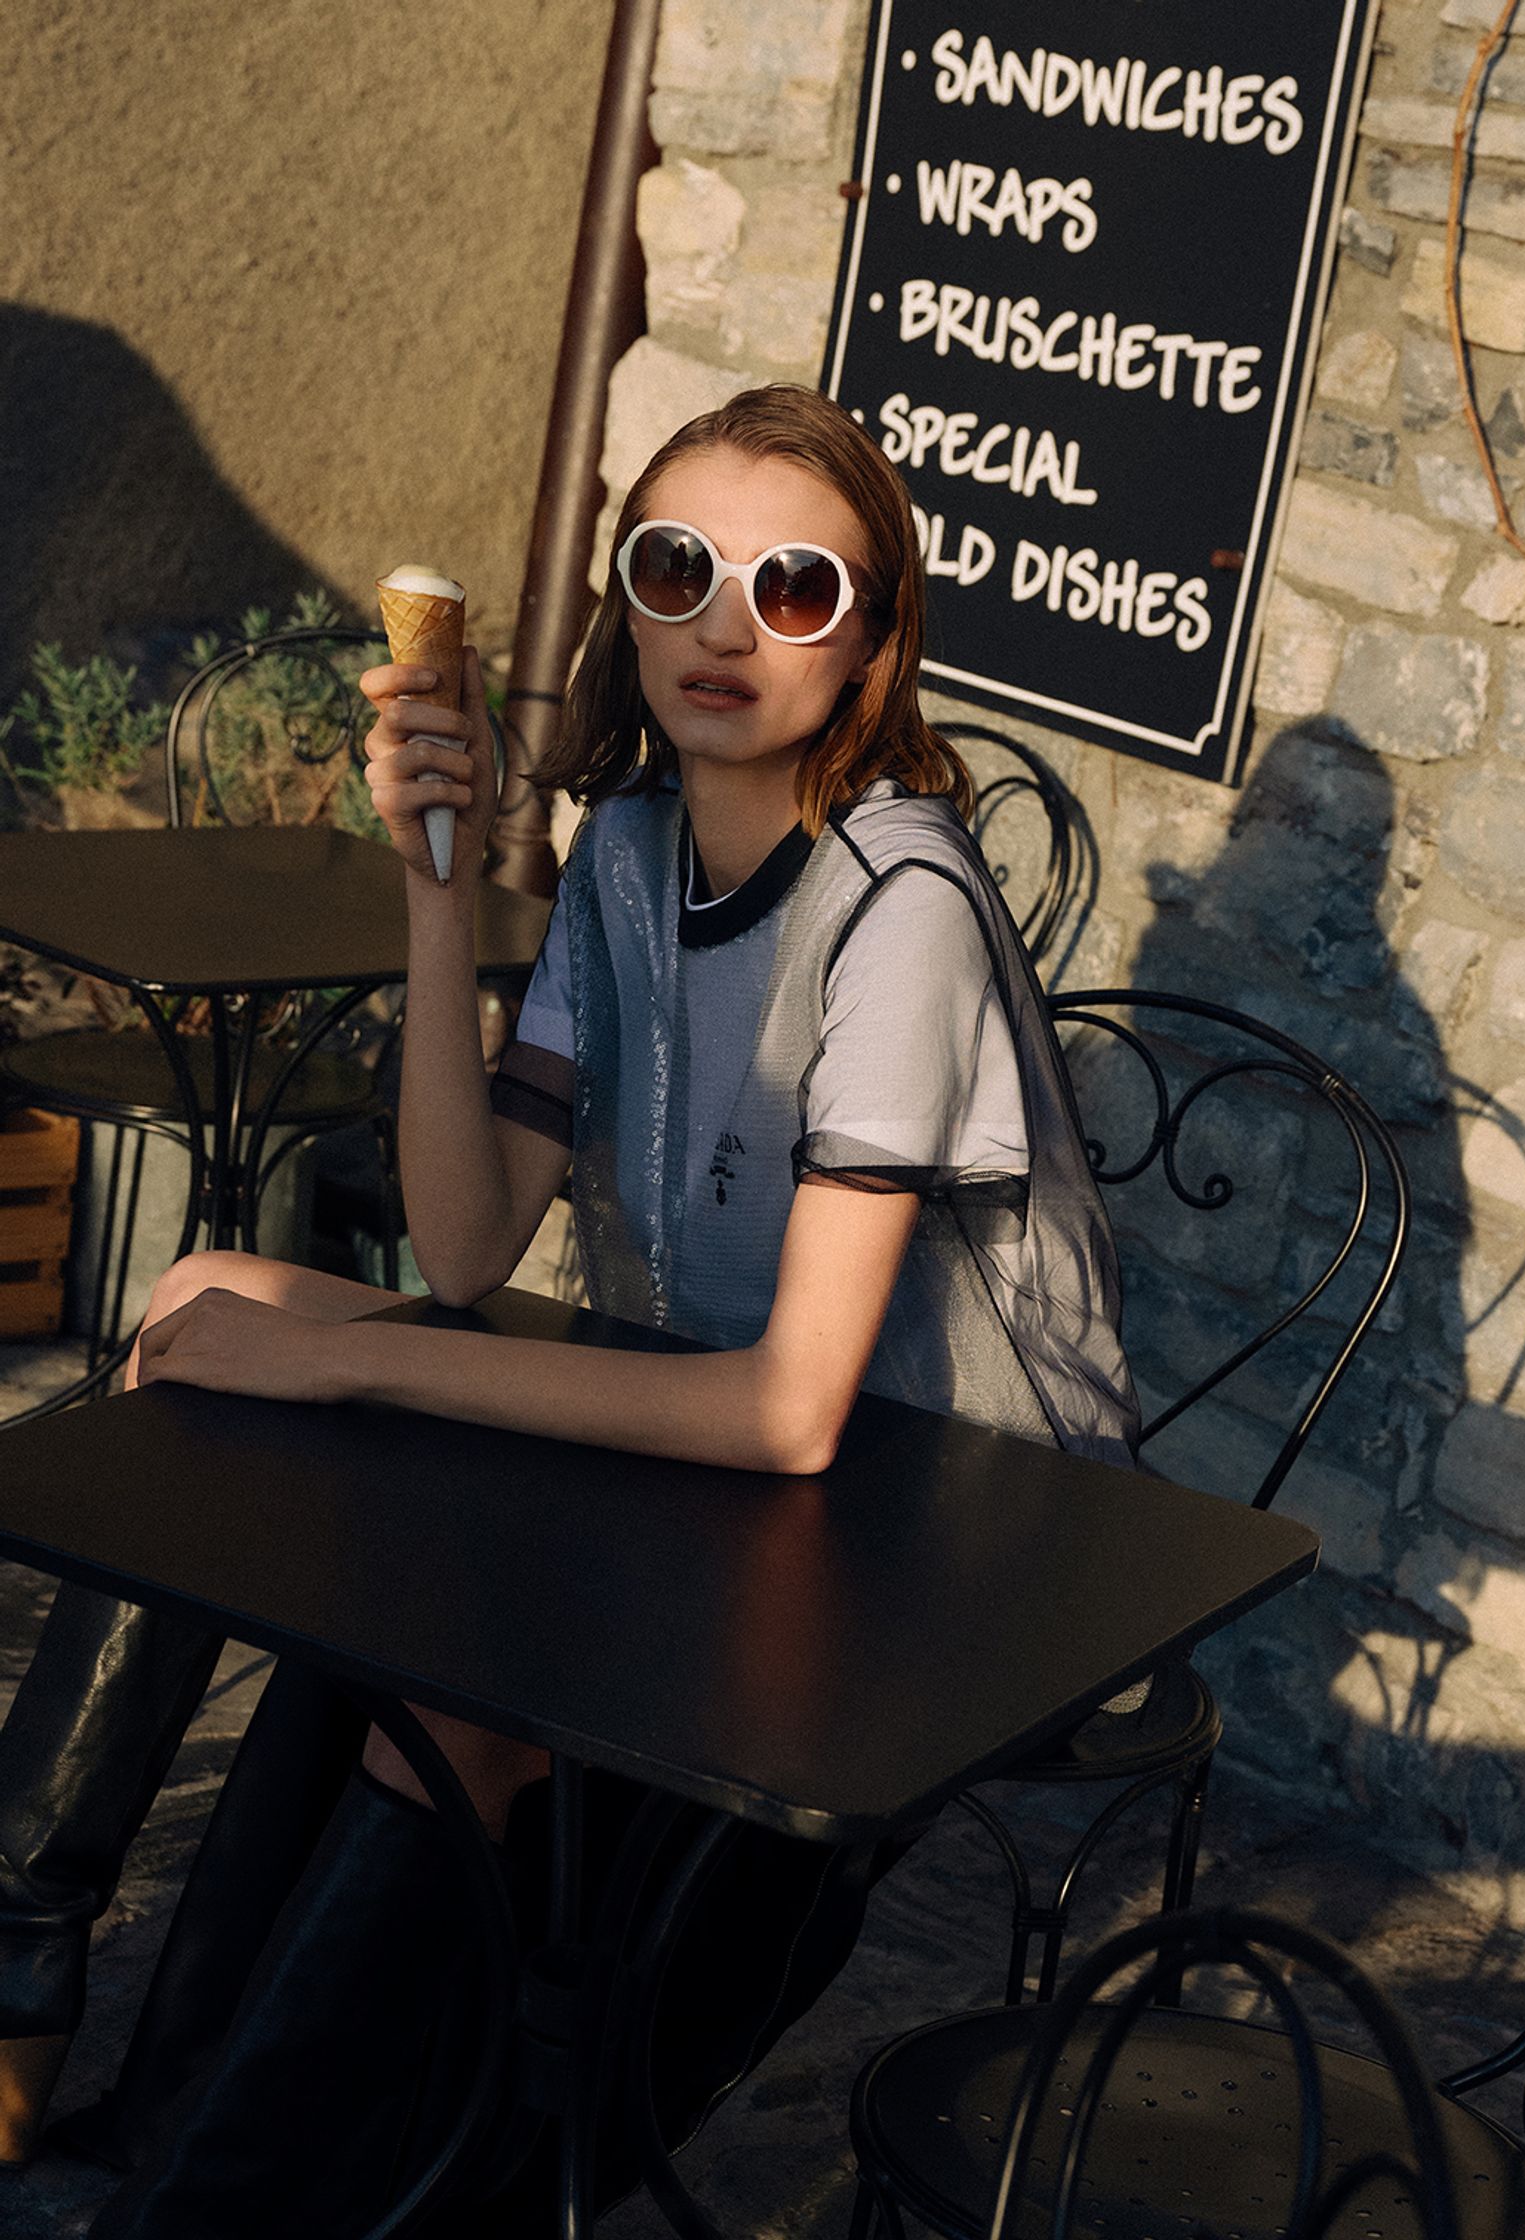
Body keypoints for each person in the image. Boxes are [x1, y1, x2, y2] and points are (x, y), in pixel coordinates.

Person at [0, 384, 1138, 2232]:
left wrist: (350, 1375)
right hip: (723, 1439)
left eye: (797, 590)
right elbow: (462, 1248)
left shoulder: (899, 899)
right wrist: (440, 894)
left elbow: (792, 1415)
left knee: (434, 1679)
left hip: (939, 1524)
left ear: (870, 647)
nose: (725, 626)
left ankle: (229, 2187)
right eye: (681, 568)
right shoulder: (622, 853)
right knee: (207, 1288)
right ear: (626, 595)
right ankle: (49, 1986)